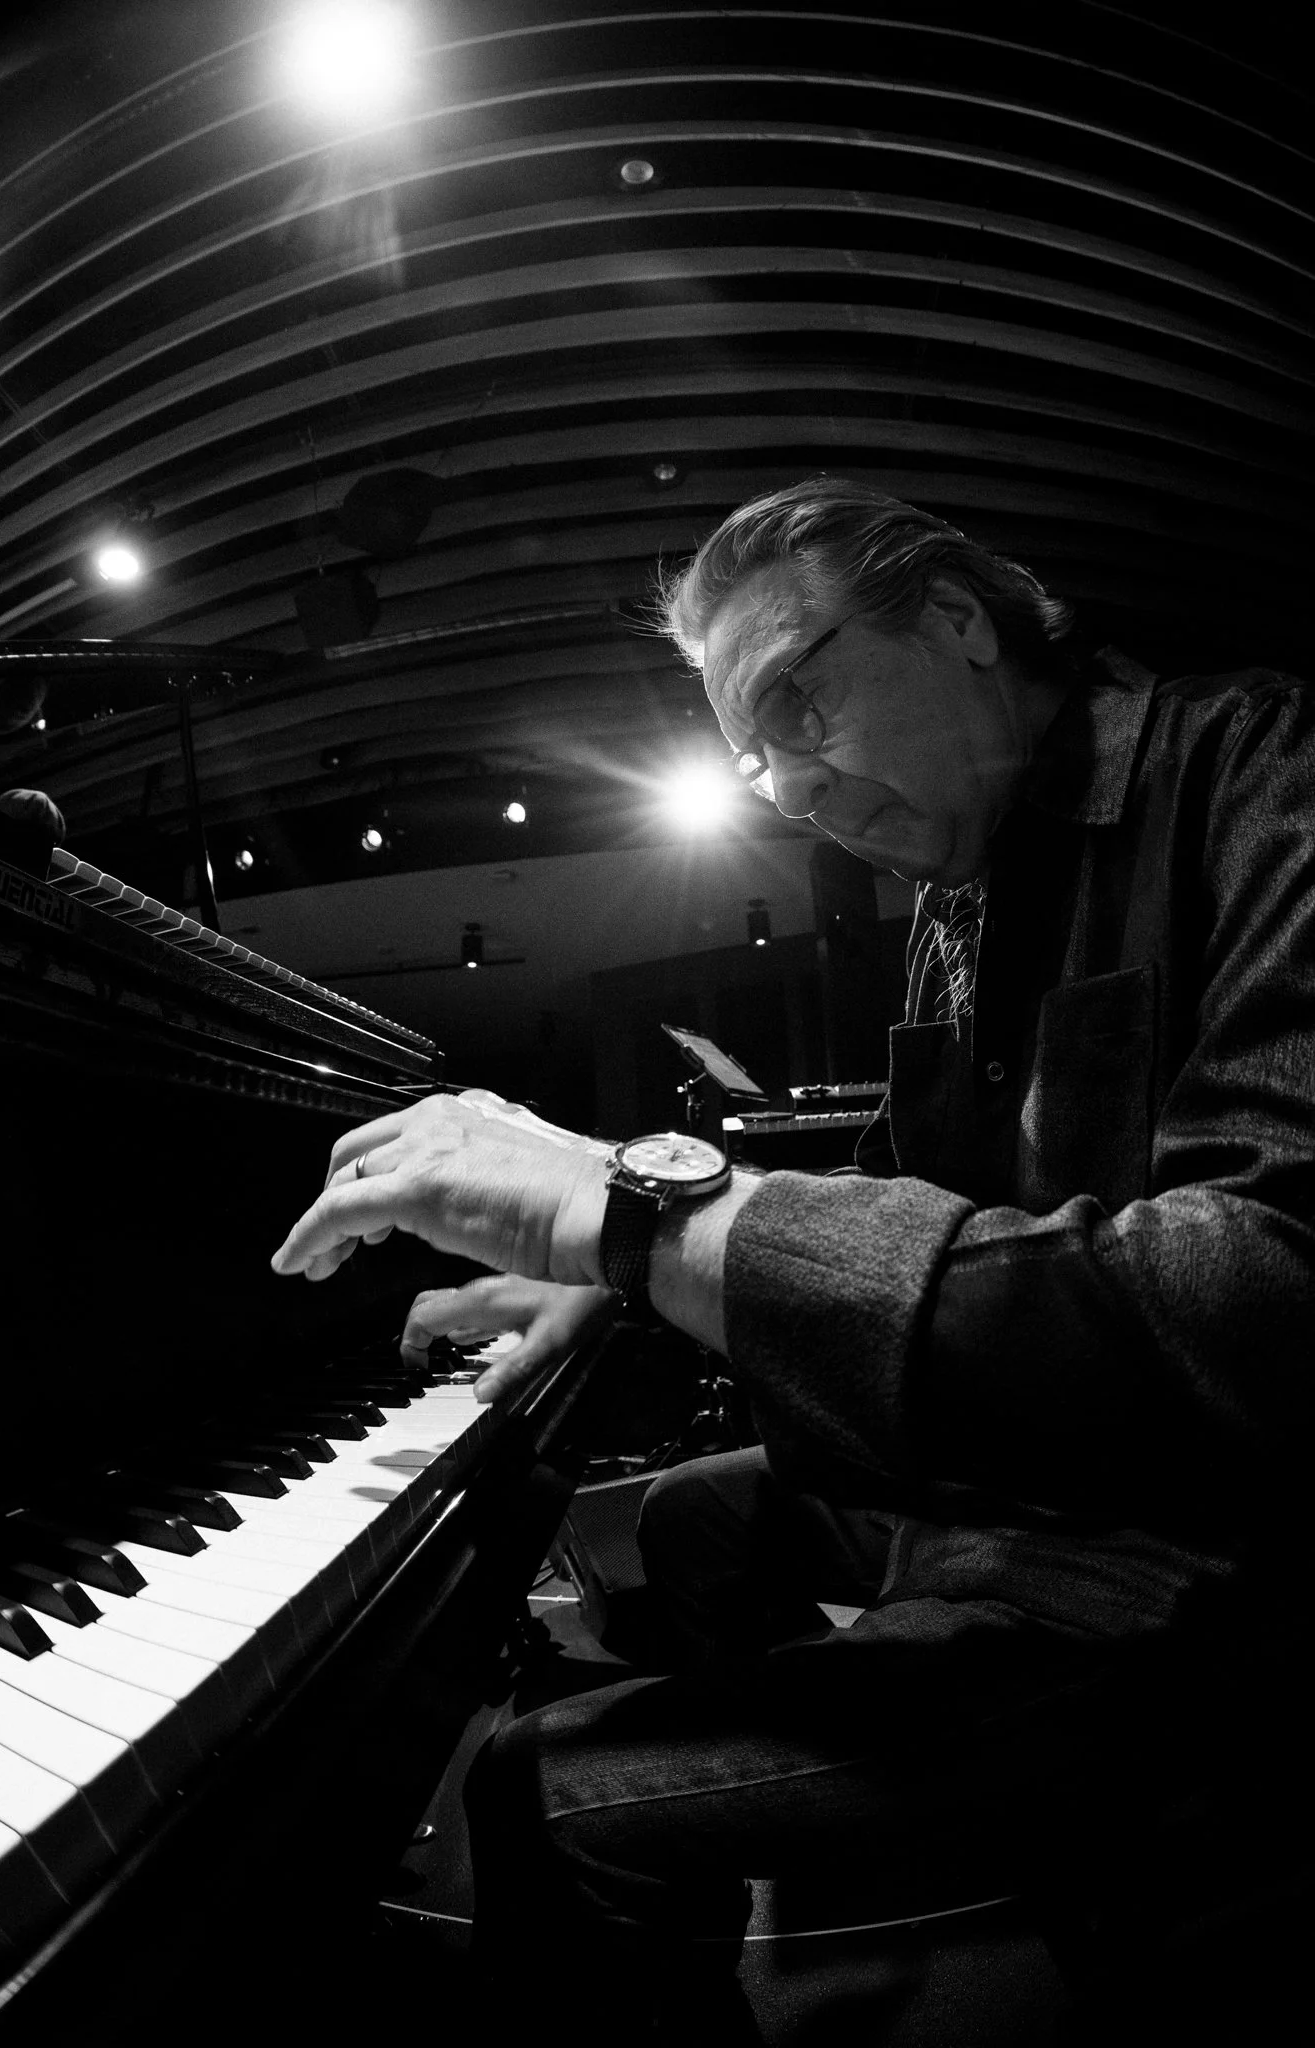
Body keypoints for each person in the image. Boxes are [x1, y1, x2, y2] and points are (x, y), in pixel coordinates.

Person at [271, 479, 1314, 2040]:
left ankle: (942, 1818)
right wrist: (611, 1281)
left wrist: (634, 1213)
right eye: (748, 750)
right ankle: (855, 1811)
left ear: (956, 618)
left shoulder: (1258, 762)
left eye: (793, 702)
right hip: (1015, 1488)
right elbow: (904, 1189)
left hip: (1197, 1558)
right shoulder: (961, 900)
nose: (778, 784)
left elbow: (1267, 1297)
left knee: (536, 1786)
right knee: (696, 1521)